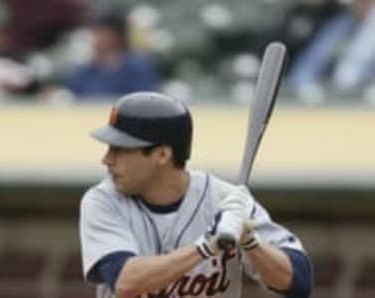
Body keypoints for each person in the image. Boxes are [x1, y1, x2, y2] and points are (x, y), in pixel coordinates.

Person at [79, 92, 313, 298]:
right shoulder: (103, 201)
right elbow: (125, 281)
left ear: (161, 155)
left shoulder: (226, 199)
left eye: (120, 149)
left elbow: (298, 282)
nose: (107, 159)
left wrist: (251, 242)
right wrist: (206, 246)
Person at [64, 12, 158, 99]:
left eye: (100, 32)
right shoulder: (86, 69)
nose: (94, 37)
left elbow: (143, 99)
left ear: (116, 35)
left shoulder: (137, 67)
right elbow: (73, 95)